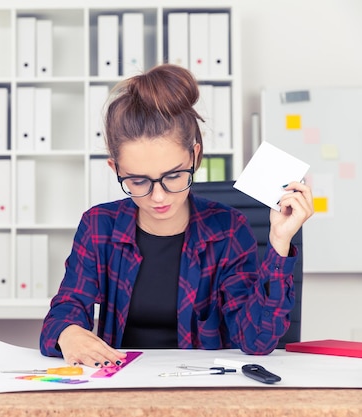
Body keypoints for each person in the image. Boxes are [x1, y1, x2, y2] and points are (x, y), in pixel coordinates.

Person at [40, 63, 314, 368]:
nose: (158, 196)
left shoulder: (228, 229)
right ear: (115, 169)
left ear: (195, 156)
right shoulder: (98, 226)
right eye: (138, 181)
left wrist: (279, 242)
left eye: (173, 176)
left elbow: (258, 340)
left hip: (201, 391)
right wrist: (68, 332)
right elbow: (65, 309)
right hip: (120, 388)